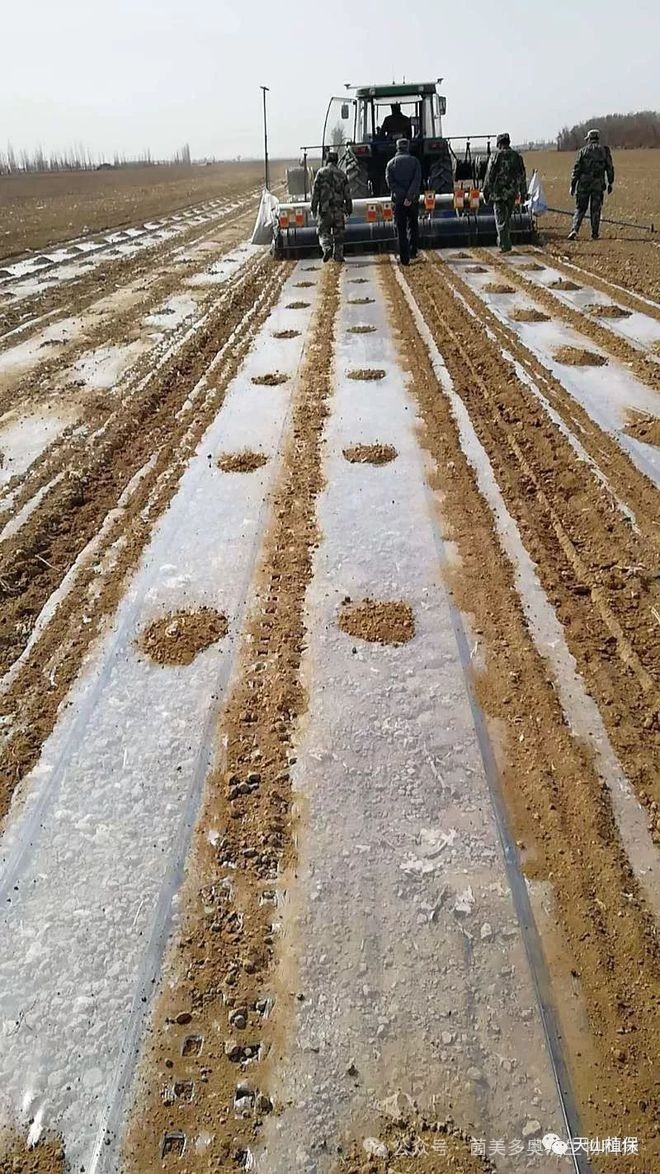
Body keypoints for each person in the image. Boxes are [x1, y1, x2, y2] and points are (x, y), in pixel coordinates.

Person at [482, 133, 528, 253]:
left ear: (499, 144)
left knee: (501, 220)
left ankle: (505, 246)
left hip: (499, 194)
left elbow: (489, 177)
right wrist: (523, 193)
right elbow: (522, 176)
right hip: (512, 193)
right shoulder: (517, 157)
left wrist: (486, 192)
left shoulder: (495, 156)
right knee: (507, 219)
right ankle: (504, 241)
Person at [568, 129, 614, 241]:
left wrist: (573, 185)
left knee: (580, 208)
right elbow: (609, 168)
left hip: (583, 184)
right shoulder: (604, 151)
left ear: (589, 139)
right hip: (598, 185)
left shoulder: (582, 151)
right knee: (595, 209)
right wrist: (610, 183)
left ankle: (574, 229)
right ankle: (594, 233)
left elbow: (576, 169)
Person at [310, 150, 353, 262]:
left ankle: (326, 247)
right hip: (339, 209)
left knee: (323, 232)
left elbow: (315, 193)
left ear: (327, 160)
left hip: (325, 210)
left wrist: (313, 208)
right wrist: (349, 207)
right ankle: (338, 255)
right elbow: (347, 193)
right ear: (337, 161)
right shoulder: (342, 174)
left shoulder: (320, 173)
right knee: (339, 235)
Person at [385, 139, 422, 266]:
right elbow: (417, 180)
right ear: (407, 147)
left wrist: (402, 197)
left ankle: (404, 258)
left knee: (400, 229)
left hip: (399, 202)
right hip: (412, 201)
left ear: (397, 148)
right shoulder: (415, 162)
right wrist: (409, 197)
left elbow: (390, 183)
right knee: (413, 225)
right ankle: (413, 251)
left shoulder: (390, 164)